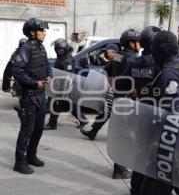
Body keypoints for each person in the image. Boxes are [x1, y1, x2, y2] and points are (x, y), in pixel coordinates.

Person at [137, 31, 179, 195]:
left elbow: (172, 117)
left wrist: (161, 150)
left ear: (161, 50)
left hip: (172, 146)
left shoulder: (170, 73)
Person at [80, 29, 141, 180]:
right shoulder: (133, 59)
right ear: (132, 43)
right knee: (126, 136)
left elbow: (106, 71)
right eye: (138, 41)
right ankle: (120, 170)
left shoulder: (118, 56)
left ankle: (119, 168)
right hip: (128, 100)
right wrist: (134, 92)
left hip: (118, 97)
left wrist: (114, 86)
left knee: (120, 133)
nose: (140, 44)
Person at [121, 26, 161, 195]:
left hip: (139, 112)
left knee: (139, 155)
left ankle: (135, 189)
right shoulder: (160, 64)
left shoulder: (133, 62)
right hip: (156, 114)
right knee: (154, 158)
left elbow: (121, 84)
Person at [11, 18, 52, 174]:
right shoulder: (26, 48)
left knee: (39, 128)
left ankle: (31, 156)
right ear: (32, 33)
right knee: (27, 129)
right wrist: (35, 83)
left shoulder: (41, 47)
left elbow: (47, 63)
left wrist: (49, 74)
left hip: (41, 95)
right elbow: (17, 71)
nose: (45, 33)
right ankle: (19, 162)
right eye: (42, 31)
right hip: (29, 96)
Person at [44, 38, 88, 130]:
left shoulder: (67, 60)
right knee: (69, 104)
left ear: (65, 49)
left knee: (56, 104)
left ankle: (52, 124)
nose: (59, 51)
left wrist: (63, 89)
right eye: (57, 49)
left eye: (61, 49)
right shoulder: (61, 58)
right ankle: (83, 119)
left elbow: (67, 76)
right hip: (59, 85)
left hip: (65, 86)